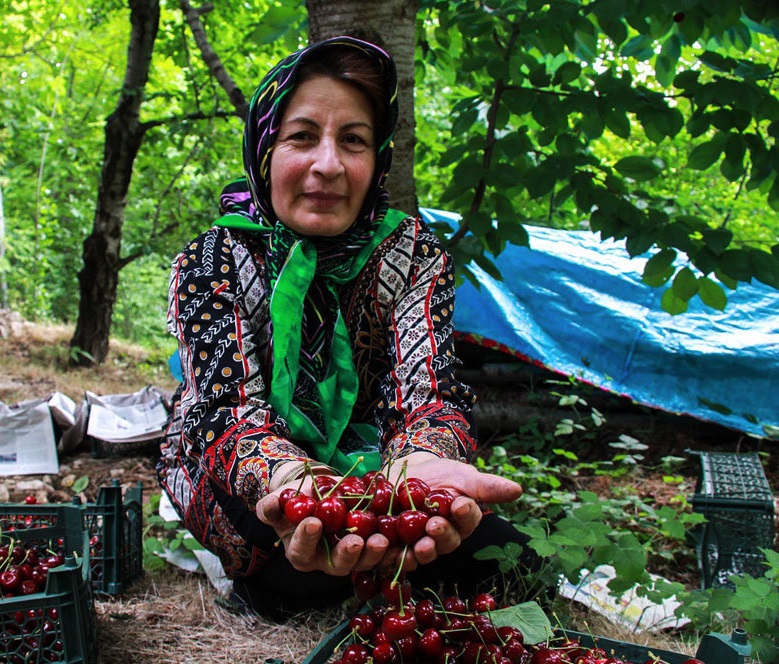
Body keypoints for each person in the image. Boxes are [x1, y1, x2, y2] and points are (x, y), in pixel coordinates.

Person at [157, 35, 536, 619]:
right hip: (238, 463)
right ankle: (281, 575)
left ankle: (358, 558)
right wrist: (288, 478)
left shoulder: (410, 253)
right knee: (289, 550)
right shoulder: (214, 261)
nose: (328, 164)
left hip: (367, 467)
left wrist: (418, 466)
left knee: (507, 558)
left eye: (353, 140)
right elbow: (228, 412)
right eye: (302, 136)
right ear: (265, 150)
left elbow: (428, 395)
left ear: (376, 157)